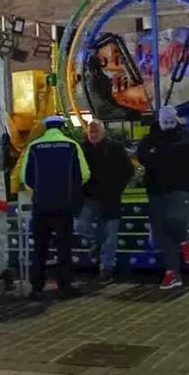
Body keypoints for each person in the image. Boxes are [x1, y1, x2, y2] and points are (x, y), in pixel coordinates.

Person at [20, 115, 90, 301]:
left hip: (41, 205)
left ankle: (37, 288)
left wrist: (40, 190)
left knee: (40, 248)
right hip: (64, 205)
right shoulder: (72, 145)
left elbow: (24, 178)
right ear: (62, 127)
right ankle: (65, 287)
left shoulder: (34, 147)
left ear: (45, 128)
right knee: (64, 247)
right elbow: (84, 174)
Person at [136, 106, 189, 290]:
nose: (168, 125)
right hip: (156, 189)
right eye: (165, 121)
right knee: (162, 230)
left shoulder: (183, 137)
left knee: (176, 220)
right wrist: (165, 156)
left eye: (171, 121)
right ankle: (172, 272)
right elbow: (144, 155)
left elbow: (178, 152)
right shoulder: (150, 139)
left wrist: (159, 156)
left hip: (179, 187)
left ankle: (184, 240)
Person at [78, 120, 133, 282]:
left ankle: (106, 267)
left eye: (96, 132)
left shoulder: (114, 148)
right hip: (90, 196)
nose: (93, 135)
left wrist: (116, 188)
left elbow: (128, 170)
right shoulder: (82, 149)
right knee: (81, 225)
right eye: (91, 133)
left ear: (103, 132)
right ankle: (98, 242)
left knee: (110, 233)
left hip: (110, 196)